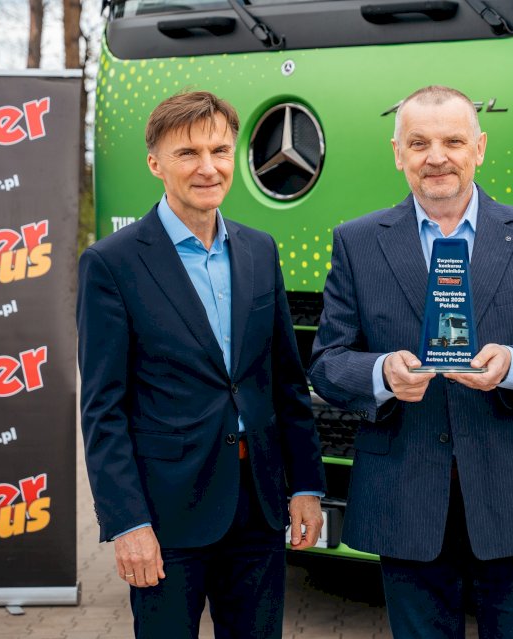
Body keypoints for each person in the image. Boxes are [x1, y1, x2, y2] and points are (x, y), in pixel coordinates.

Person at [308, 85, 513, 638]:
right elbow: (326, 362)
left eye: (453, 142)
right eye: (419, 143)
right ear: (398, 153)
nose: (436, 157)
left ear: (479, 148)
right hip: (406, 496)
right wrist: (381, 375)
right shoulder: (357, 242)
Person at [76, 91, 325, 638]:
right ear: (155, 163)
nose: (208, 167)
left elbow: (285, 382)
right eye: (188, 153)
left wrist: (306, 485)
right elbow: (103, 410)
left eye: (220, 151)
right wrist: (128, 522)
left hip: (258, 504)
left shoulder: (260, 250)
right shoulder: (111, 264)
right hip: (166, 514)